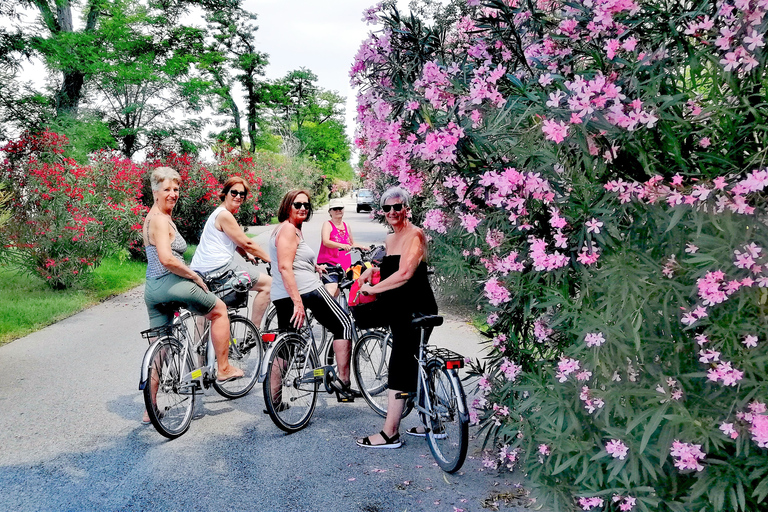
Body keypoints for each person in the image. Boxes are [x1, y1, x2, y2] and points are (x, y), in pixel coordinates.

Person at [142, 167, 243, 424]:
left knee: (160, 349)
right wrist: (194, 276)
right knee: (219, 311)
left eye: (176, 189)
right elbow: (166, 258)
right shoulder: (160, 220)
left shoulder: (151, 217)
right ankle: (223, 368)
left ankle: (149, 409)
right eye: (167, 189)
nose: (173, 194)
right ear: (155, 191)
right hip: (172, 283)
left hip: (152, 289)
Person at [355, 186, 438, 449]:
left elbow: (404, 273)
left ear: (407, 208)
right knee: (415, 360)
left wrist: (373, 289)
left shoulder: (416, 234)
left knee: (400, 365)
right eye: (387, 207)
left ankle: (390, 433)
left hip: (416, 309)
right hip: (397, 308)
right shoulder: (391, 240)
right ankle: (432, 423)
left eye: (397, 206)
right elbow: (389, 267)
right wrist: (371, 271)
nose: (392, 212)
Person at [269, 189, 355, 399]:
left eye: (306, 205)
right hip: (305, 290)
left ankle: (274, 399)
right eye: (297, 205)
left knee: (286, 344)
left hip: (282, 293)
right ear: (287, 206)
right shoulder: (290, 229)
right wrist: (298, 302)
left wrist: (314, 266)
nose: (303, 208)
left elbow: (293, 259)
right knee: (343, 324)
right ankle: (343, 384)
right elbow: (285, 267)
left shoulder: (288, 229)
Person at [190, 177, 272, 328]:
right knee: (268, 284)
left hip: (199, 270)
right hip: (218, 268)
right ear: (225, 193)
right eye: (234, 192)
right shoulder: (225, 215)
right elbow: (246, 242)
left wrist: (245, 254)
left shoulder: (218, 213)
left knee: (205, 312)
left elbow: (232, 240)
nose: (238, 196)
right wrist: (270, 259)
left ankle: (200, 350)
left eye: (242, 194)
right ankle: (253, 334)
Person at [317, 197, 366, 297]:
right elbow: (326, 241)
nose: (338, 211)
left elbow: (351, 243)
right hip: (329, 263)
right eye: (335, 209)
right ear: (330, 212)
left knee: (337, 293)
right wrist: (342, 245)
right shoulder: (328, 224)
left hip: (343, 266)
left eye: (340, 208)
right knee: (331, 288)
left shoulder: (346, 225)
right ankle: (320, 311)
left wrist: (363, 247)